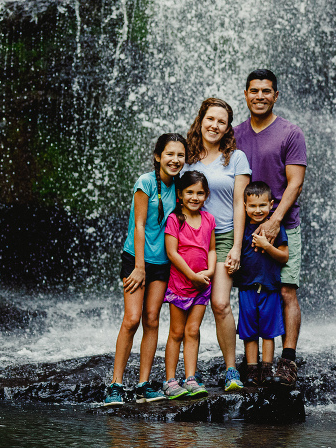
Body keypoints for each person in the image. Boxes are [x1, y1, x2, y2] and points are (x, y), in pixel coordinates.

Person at [233, 69, 307, 388]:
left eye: (266, 91)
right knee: (249, 290)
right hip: (244, 231)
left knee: (286, 290)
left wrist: (275, 220)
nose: (260, 96)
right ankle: (253, 365)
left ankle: (287, 360)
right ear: (246, 94)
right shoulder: (234, 134)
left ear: (276, 95)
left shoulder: (291, 133)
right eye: (254, 90)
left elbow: (296, 182)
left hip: (284, 225)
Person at [104, 133, 188, 406]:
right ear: (158, 156)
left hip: (163, 263)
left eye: (180, 156)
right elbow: (139, 225)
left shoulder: (179, 187)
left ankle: (143, 384)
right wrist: (139, 267)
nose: (175, 160)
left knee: (152, 319)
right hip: (136, 259)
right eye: (170, 154)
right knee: (131, 318)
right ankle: (115, 385)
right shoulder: (146, 183)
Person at [184, 98, 251, 391]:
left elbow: (240, 204)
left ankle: (231, 370)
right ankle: (189, 374)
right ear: (201, 120)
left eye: (221, 122)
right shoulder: (185, 157)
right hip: (191, 239)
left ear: (228, 128)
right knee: (188, 307)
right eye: (210, 119)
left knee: (220, 303)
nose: (214, 126)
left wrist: (237, 246)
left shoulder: (236, 158)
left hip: (223, 237)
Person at [162, 171, 216, 399]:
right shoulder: (175, 219)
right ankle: (170, 380)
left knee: (193, 331)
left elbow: (212, 249)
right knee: (176, 332)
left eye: (200, 193)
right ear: (180, 195)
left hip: (202, 285)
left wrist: (210, 271)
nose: (195, 197)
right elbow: (172, 253)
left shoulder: (209, 219)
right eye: (190, 192)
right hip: (181, 284)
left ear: (206, 195)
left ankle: (191, 378)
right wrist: (192, 275)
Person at [234, 181, 288, 386]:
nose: (258, 210)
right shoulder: (242, 230)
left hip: (270, 287)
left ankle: (266, 368)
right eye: (253, 206)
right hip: (247, 287)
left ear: (271, 205)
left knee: (268, 331)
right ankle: (251, 369)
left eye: (262, 206)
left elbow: (284, 256)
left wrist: (267, 245)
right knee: (249, 331)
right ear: (245, 206)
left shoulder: (275, 229)